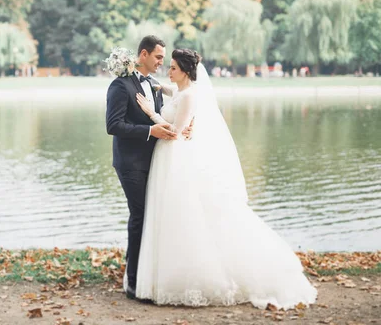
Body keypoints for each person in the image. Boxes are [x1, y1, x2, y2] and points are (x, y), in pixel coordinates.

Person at [133, 48, 317, 309]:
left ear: (185, 71)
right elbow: (170, 91)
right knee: (171, 216)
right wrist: (152, 84)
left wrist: (150, 112)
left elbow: (174, 131)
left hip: (176, 157)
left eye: (173, 67)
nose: (169, 70)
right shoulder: (180, 91)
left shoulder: (190, 96)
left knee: (187, 215)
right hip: (167, 160)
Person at [105, 36, 192, 301]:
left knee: (148, 217)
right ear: (143, 54)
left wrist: (183, 127)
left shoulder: (154, 85)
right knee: (140, 216)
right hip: (130, 163)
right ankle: (133, 283)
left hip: (154, 162)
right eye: (157, 58)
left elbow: (174, 112)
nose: (161, 64)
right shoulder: (120, 86)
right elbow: (113, 126)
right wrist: (150, 131)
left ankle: (141, 274)